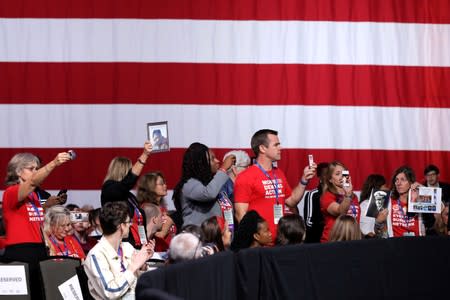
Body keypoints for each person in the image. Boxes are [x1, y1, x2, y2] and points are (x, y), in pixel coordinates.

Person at [1, 151, 72, 299]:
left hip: (38, 250)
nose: (36, 171)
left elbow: (32, 221)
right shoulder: (11, 192)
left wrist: (47, 242)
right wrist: (54, 163)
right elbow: (32, 182)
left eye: (37, 168)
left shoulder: (33, 197)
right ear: (18, 171)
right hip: (20, 253)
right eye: (31, 168)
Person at [234, 129, 316, 243]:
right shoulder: (245, 177)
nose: (280, 148)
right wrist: (256, 241)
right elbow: (240, 215)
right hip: (260, 244)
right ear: (262, 148)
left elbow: (291, 201)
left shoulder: (278, 173)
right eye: (276, 145)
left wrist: (304, 180)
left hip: (281, 240)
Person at [83, 202, 155, 300]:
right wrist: (132, 268)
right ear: (121, 226)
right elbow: (110, 292)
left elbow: (142, 283)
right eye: (129, 222)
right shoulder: (96, 254)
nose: (130, 225)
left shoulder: (127, 247)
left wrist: (142, 265)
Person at [101, 141, 153, 248]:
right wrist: (145, 155)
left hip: (137, 247)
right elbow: (129, 181)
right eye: (131, 169)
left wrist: (145, 245)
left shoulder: (130, 197)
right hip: (120, 247)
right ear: (125, 171)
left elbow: (140, 224)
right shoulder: (109, 189)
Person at [172, 142, 235, 227]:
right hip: (196, 236)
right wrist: (223, 169)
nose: (217, 161)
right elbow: (209, 193)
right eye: (212, 159)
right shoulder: (188, 184)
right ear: (201, 163)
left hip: (215, 236)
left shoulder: (212, 182)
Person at [375, 166, 425, 237]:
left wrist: (424, 190)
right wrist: (378, 223)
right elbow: (377, 232)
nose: (398, 183)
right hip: (395, 244)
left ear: (411, 183)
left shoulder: (419, 200)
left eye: (403, 179)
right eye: (396, 180)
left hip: (417, 243)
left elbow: (432, 222)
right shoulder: (387, 200)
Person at [320, 161, 360, 242]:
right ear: (330, 179)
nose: (342, 176)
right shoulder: (327, 196)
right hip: (332, 242)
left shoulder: (354, 196)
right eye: (337, 174)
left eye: (343, 173)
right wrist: (347, 195)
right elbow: (340, 211)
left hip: (352, 240)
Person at [137, 172, 176, 251]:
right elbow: (144, 233)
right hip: (155, 255)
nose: (165, 186)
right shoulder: (146, 209)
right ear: (150, 186)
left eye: (165, 183)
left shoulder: (163, 209)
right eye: (161, 184)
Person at [218, 150, 251, 236]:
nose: (249, 170)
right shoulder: (223, 191)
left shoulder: (238, 187)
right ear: (234, 169)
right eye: (246, 166)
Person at [303, 162, 328, 243]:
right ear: (319, 176)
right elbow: (308, 222)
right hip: (316, 240)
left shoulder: (338, 194)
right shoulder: (312, 194)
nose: (328, 177)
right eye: (325, 174)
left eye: (329, 174)